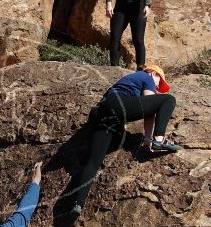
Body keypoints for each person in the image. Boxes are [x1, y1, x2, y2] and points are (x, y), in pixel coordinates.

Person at [71, 65, 178, 217]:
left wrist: (146, 139)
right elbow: (151, 108)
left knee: (94, 161)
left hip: (100, 112)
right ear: (153, 73)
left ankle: (78, 204)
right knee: (168, 99)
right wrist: (152, 138)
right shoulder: (146, 77)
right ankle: (160, 140)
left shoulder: (129, 79)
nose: (157, 87)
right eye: (159, 82)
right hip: (117, 105)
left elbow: (146, 107)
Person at [105, 0, 152, 69]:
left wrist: (147, 5)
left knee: (138, 40)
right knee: (114, 37)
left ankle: (140, 70)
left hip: (138, 9)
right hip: (121, 8)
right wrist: (108, 3)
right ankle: (114, 69)